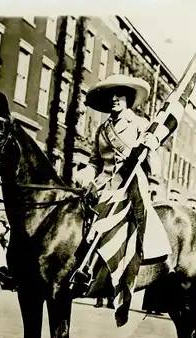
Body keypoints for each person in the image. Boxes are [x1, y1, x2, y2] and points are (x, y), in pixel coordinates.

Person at [72, 74, 171, 286]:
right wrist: (85, 175)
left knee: (104, 216)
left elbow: (154, 162)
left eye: (120, 96)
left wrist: (148, 150)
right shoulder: (102, 129)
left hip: (129, 184)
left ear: (128, 100)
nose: (115, 100)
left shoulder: (140, 124)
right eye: (112, 97)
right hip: (102, 184)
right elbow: (94, 161)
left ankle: (88, 268)